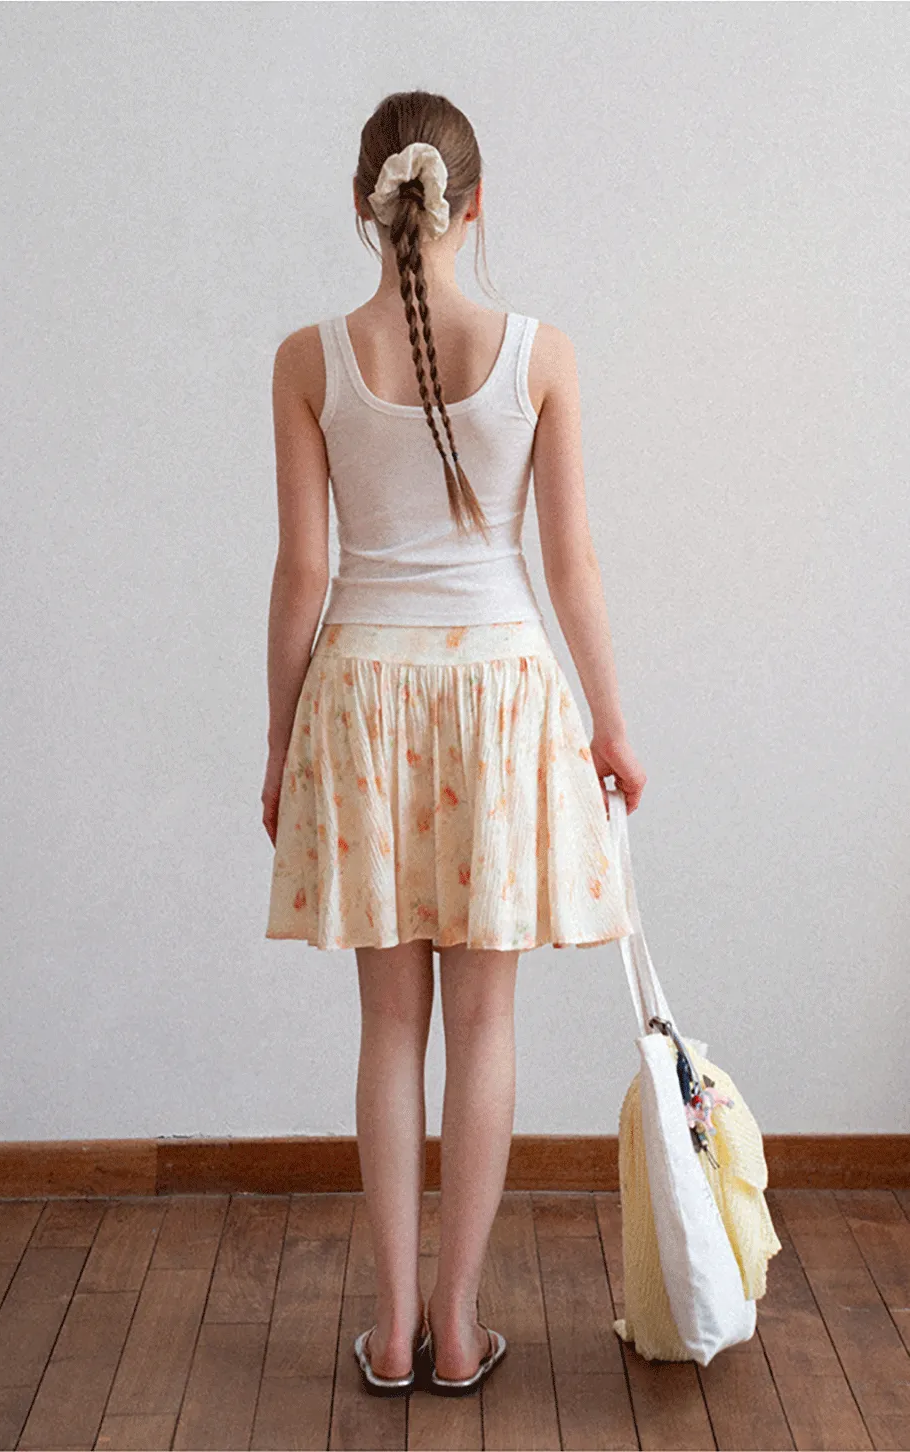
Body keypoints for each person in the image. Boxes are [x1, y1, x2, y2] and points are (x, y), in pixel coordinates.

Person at [262, 88, 647, 1399]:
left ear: (362, 203)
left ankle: (387, 1325)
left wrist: (279, 742)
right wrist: (609, 723)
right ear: (474, 204)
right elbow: (572, 561)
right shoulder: (542, 353)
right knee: (485, 1022)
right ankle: (462, 1323)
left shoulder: (308, 358)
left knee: (388, 1027)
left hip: (362, 695)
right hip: (499, 695)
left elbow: (301, 573)